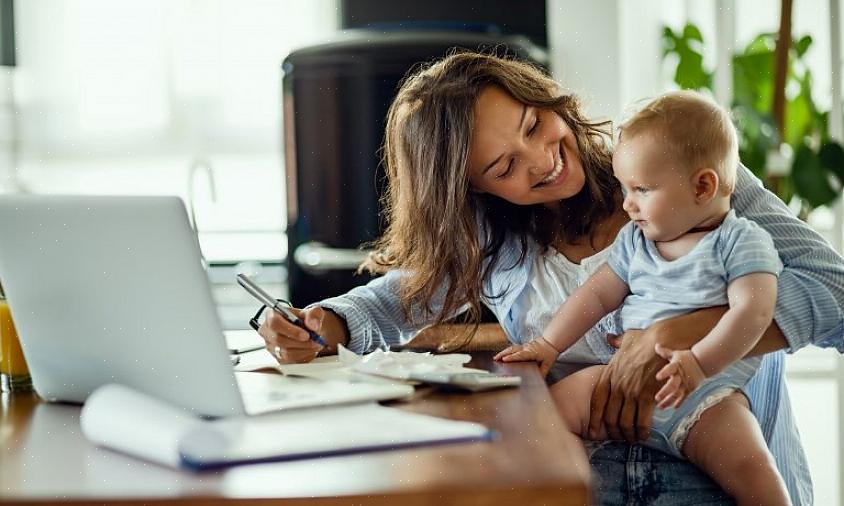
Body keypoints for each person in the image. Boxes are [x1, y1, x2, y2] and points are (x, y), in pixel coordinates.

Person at [258, 51, 844, 505]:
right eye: (504, 166)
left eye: (534, 125)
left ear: (546, 99)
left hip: (725, 476)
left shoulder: (681, 167)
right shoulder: (495, 241)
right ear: (472, 190)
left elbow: (836, 295)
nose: (542, 159)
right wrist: (323, 322)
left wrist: (677, 334)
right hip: (586, 483)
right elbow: (393, 299)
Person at [495, 90, 790, 505]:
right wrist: (548, 344)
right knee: (542, 418)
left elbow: (755, 313)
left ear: (703, 186)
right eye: (624, 188)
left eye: (641, 189)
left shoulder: (740, 242)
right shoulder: (635, 241)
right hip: (618, 382)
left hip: (707, 397)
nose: (628, 204)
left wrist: (697, 363)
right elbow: (596, 295)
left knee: (754, 471)